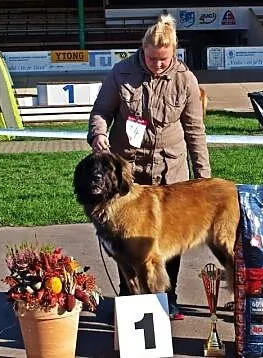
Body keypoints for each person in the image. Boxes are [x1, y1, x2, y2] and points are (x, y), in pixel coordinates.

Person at [87, 13, 211, 320]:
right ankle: (129, 298)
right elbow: (100, 111)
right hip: (129, 176)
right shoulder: (121, 73)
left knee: (170, 241)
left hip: (172, 176)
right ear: (143, 50)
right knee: (124, 242)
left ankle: (167, 298)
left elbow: (195, 131)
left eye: (164, 59)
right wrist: (99, 134)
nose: (157, 64)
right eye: (152, 58)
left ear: (174, 53)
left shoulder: (186, 80)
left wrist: (204, 180)